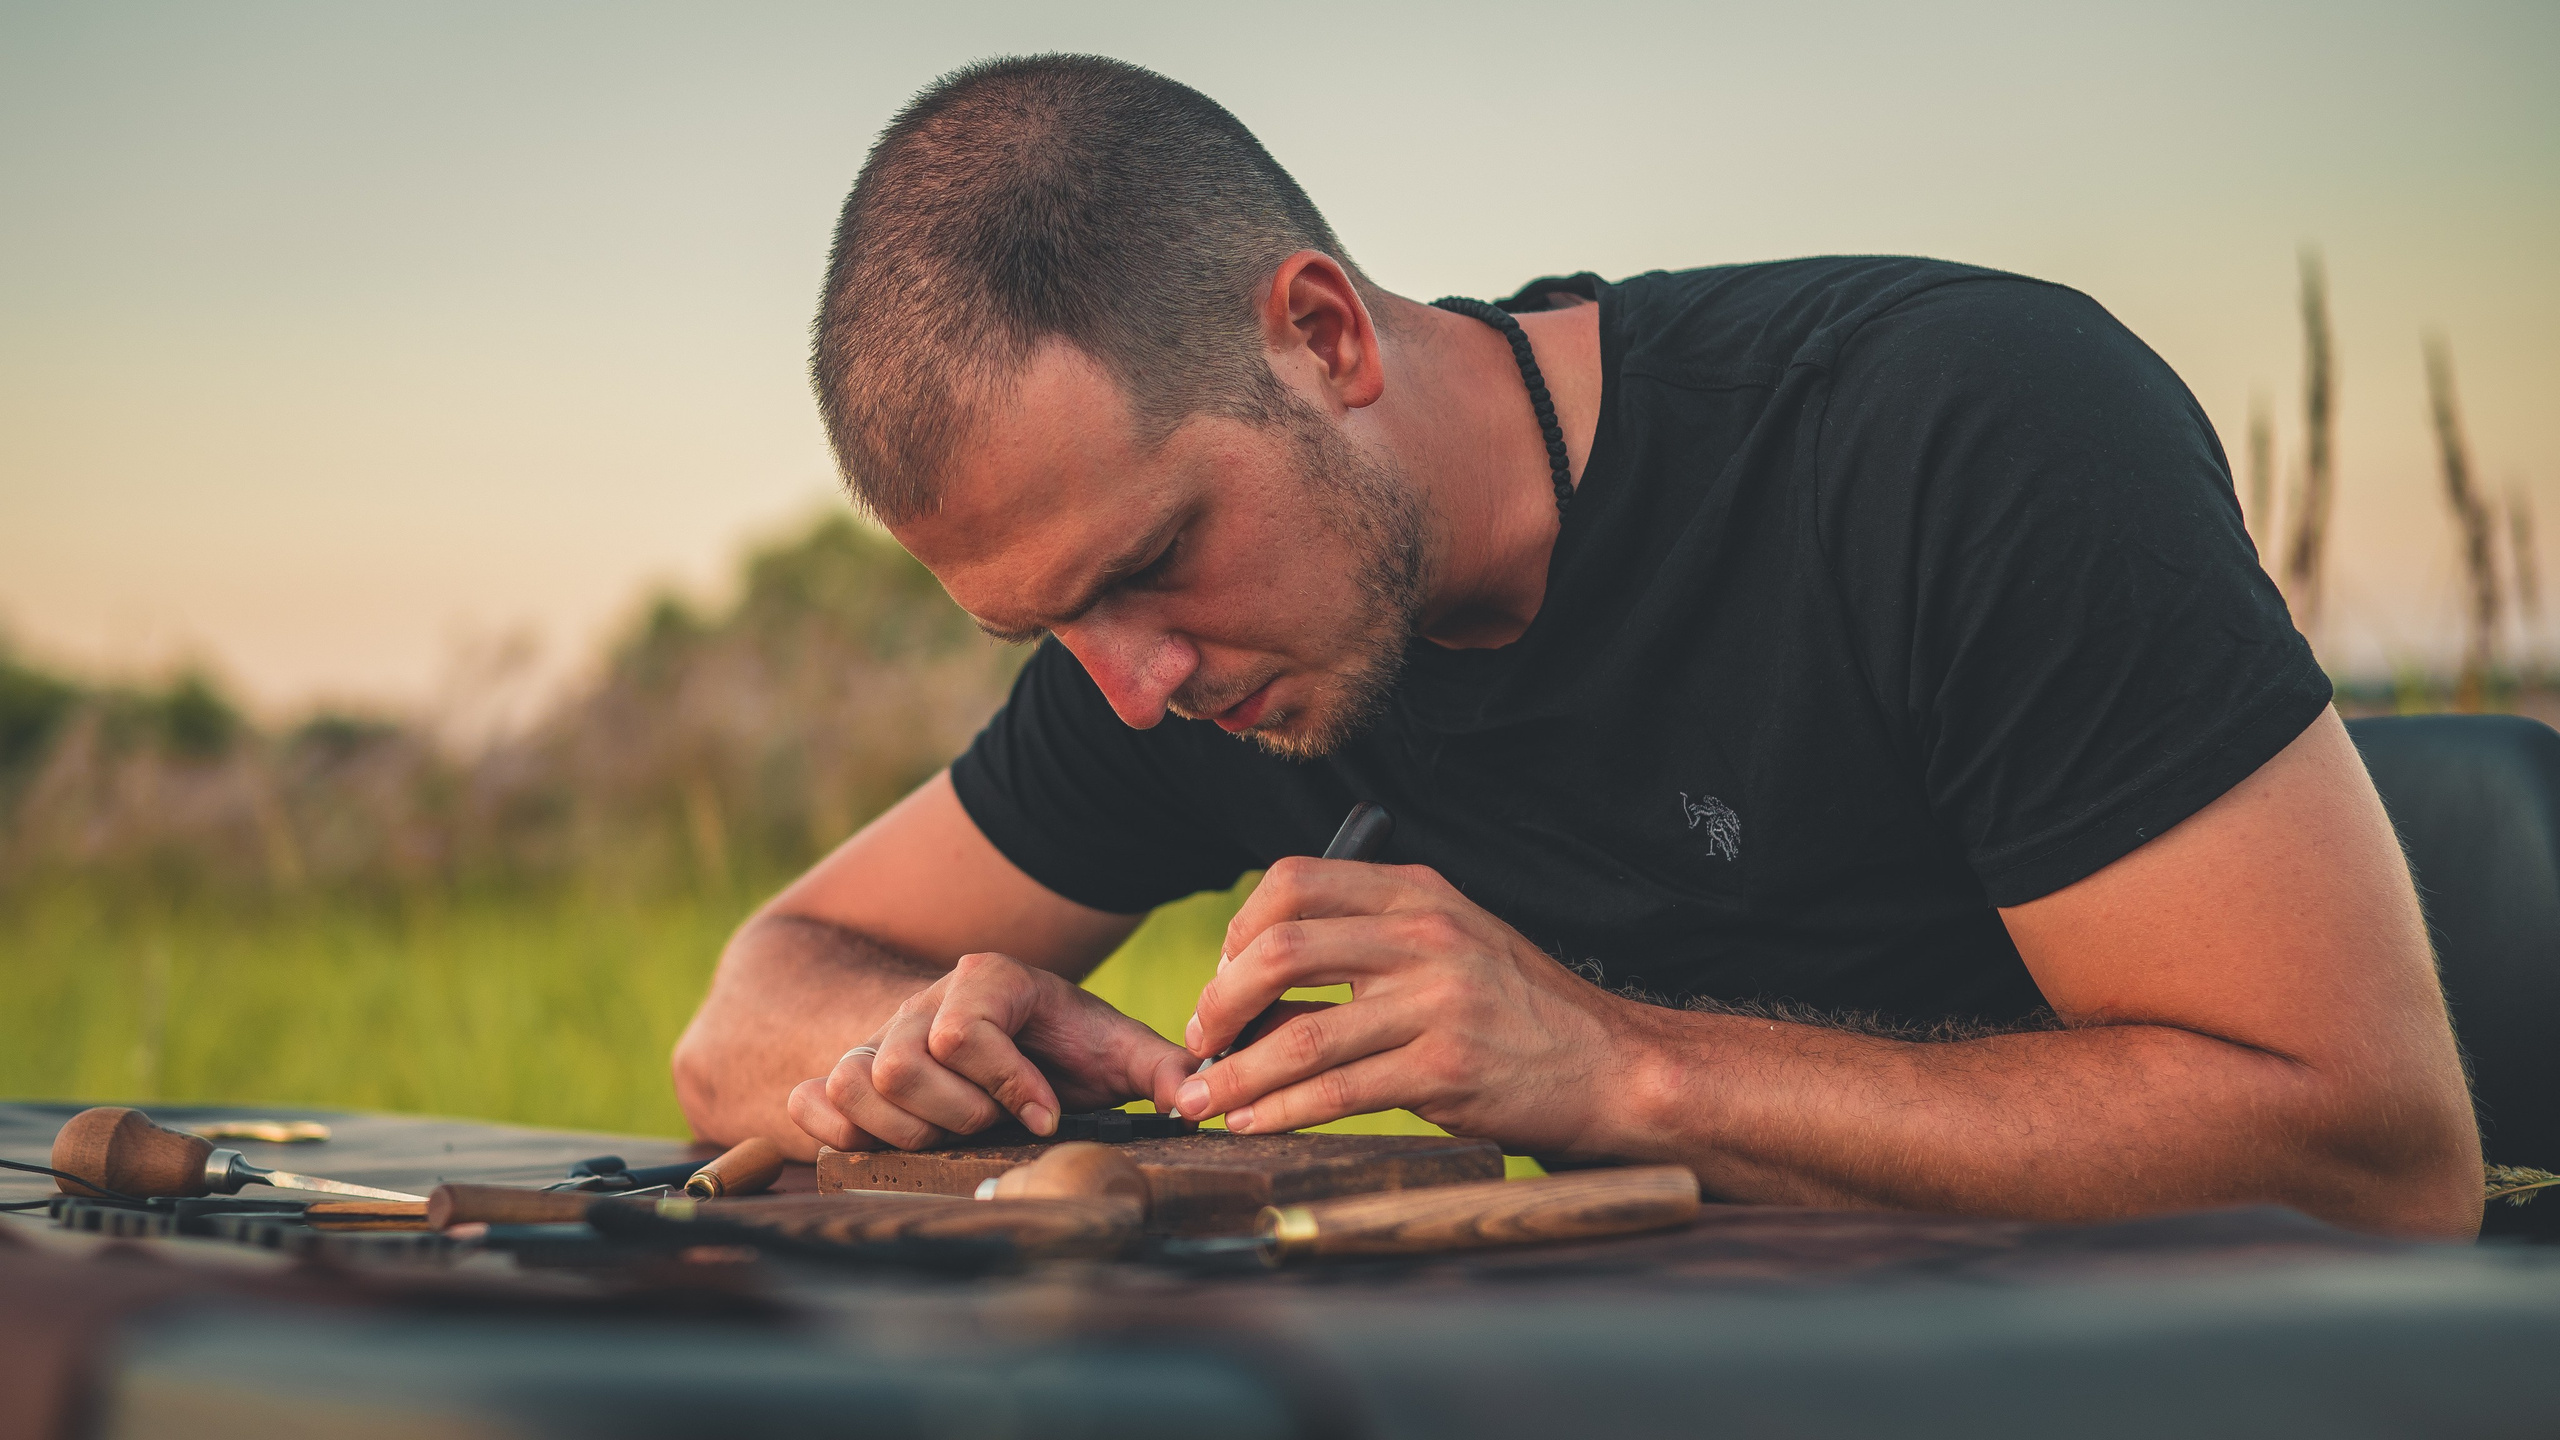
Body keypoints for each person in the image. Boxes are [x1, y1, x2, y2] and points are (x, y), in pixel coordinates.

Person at [671, 54, 2482, 1238]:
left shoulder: (1955, 435)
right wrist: (914, 1049)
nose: (1134, 683)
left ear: (1321, 335)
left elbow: (2383, 1161)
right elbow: (745, 1012)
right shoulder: (1178, 647)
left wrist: (1611, 1064)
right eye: (1049, 624)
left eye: (1152, 563)